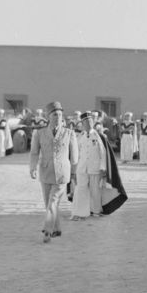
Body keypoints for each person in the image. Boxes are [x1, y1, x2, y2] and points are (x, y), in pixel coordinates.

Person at [30, 101, 78, 243]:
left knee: (53, 201)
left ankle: (47, 231)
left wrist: (74, 174)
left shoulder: (70, 133)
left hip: (62, 173)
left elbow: (74, 156)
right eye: (55, 114)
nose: (58, 117)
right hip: (45, 172)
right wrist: (32, 168)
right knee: (49, 204)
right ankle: (56, 229)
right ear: (48, 116)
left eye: (60, 114)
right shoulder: (39, 133)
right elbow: (34, 153)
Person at [71, 111, 108, 220]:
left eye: (90, 121)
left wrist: (102, 167)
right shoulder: (80, 136)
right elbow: (76, 152)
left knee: (95, 190)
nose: (88, 123)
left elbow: (103, 153)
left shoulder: (97, 135)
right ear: (82, 124)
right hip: (82, 167)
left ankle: (95, 211)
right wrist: (74, 168)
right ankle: (80, 212)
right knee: (80, 189)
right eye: (86, 121)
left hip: (95, 167)